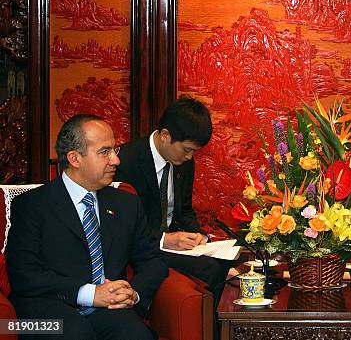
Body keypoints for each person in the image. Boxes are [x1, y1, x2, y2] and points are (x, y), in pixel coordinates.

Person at [6, 114, 168, 340]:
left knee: (135, 334)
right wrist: (91, 294)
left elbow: (152, 260)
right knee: (74, 333)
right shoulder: (32, 205)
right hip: (42, 313)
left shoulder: (127, 204)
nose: (116, 161)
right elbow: (25, 276)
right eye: (105, 152)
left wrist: (133, 294)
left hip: (108, 310)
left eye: (115, 151)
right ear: (74, 158)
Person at [114, 96, 229, 295]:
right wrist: (163, 239)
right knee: (210, 269)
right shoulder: (125, 162)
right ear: (166, 135)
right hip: (140, 247)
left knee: (226, 261)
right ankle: (213, 327)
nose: (189, 157)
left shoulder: (184, 163)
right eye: (187, 150)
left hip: (173, 242)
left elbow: (184, 210)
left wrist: (199, 235)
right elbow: (122, 226)